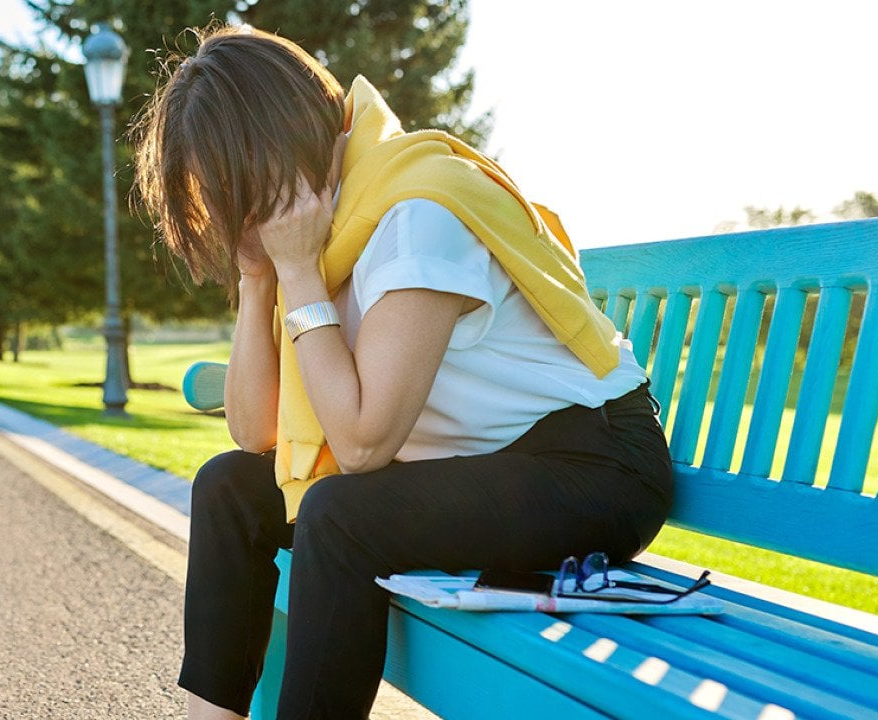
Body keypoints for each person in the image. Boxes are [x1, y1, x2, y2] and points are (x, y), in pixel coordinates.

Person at [133, 24, 673, 720]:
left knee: (340, 516)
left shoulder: (418, 211)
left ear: (277, 145)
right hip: (473, 464)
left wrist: (297, 272)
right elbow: (255, 434)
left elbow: (360, 447)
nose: (230, 214)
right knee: (229, 488)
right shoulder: (324, 230)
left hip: (592, 467)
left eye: (231, 185)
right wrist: (257, 278)